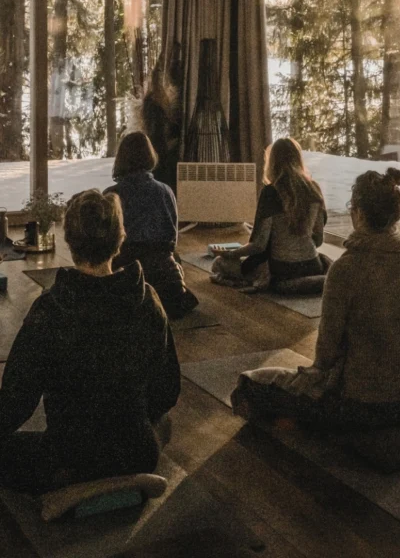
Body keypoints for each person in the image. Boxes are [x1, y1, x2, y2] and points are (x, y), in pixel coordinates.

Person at [0, 190, 180, 495]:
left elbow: (15, 403)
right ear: (120, 239)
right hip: (136, 452)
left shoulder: (51, 310)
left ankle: (77, 489)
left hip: (69, 458)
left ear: (70, 241)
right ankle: (122, 480)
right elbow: (167, 390)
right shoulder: (147, 299)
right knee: (164, 424)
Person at [231, 167, 400, 431]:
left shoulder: (346, 269)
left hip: (362, 404)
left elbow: (325, 356)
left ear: (359, 213)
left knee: (251, 384)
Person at [105, 131, 199, 319]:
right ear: (150, 155)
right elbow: (172, 239)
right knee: (175, 259)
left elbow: (106, 242)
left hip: (125, 276)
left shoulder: (111, 195)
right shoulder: (165, 191)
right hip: (164, 279)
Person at [211, 138, 329, 287]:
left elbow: (259, 245)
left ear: (272, 162)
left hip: (281, 269)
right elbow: (318, 240)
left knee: (218, 264)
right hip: (312, 266)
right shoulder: (314, 189)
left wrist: (231, 254)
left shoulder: (271, 192)